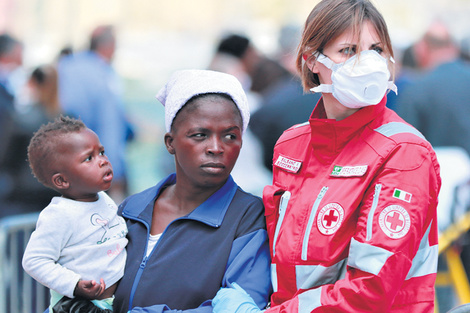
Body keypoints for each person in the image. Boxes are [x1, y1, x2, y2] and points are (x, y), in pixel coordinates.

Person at [212, 1, 441, 312]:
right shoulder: (292, 145)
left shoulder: (404, 152)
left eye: (375, 49)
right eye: (348, 50)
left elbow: (370, 290)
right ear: (311, 61)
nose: (368, 63)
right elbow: (281, 259)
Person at [113, 69, 271, 313]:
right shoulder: (132, 210)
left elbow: (243, 304)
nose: (216, 148)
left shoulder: (249, 218)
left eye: (230, 136)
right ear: (170, 142)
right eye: (200, 135)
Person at [22, 116, 128, 312]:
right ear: (62, 180)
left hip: (112, 303)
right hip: (78, 306)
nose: (103, 161)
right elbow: (34, 260)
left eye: (102, 152)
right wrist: (75, 284)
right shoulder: (59, 214)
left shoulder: (103, 198)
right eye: (89, 158)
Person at [58, 25, 134, 202]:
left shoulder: (66, 66)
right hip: (96, 166)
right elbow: (109, 125)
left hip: (65, 165)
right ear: (110, 46)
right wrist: (115, 170)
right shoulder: (102, 75)